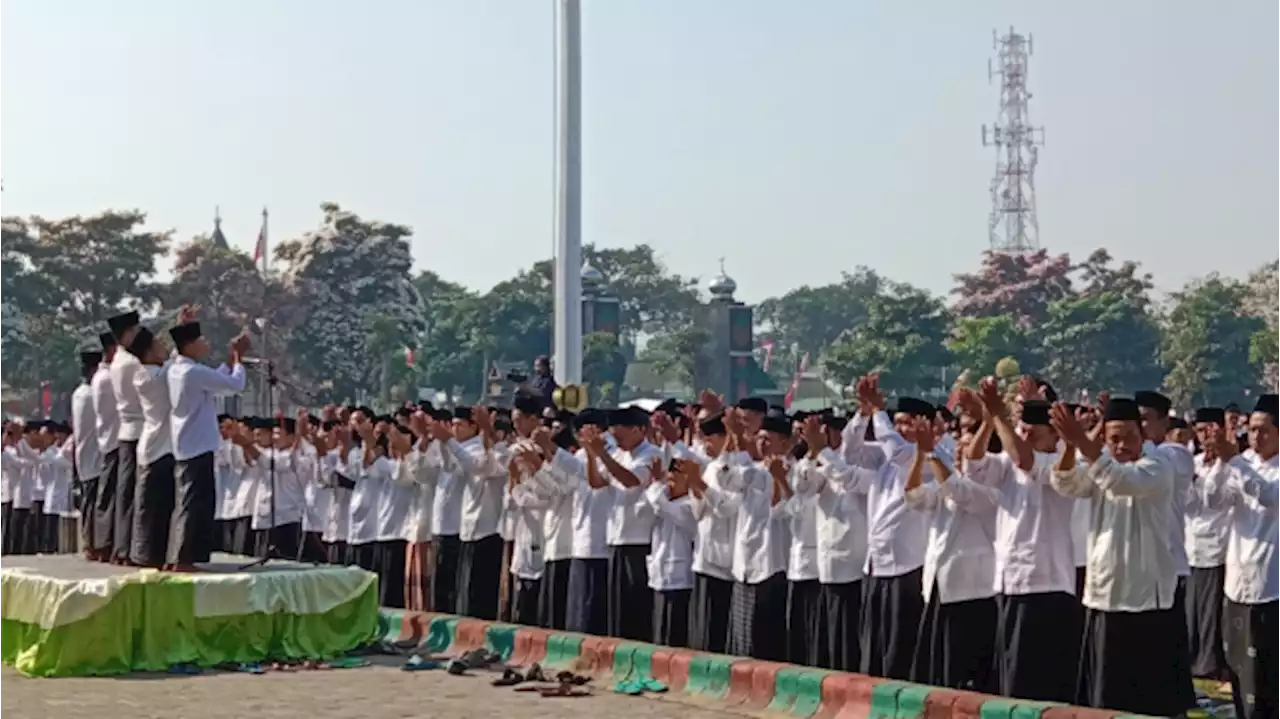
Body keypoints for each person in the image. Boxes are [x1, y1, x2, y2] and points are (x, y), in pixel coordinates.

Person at [1049, 398, 1184, 717]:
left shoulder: (1158, 465)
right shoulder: (1100, 462)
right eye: (1114, 439)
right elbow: (1065, 483)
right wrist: (1071, 445)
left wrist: (1082, 441)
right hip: (1104, 592)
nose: (1122, 446)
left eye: (1129, 437)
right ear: (1105, 439)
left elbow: (1121, 481)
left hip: (1144, 598)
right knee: (1105, 696)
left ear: (1143, 435)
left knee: (1146, 699)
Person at [1199, 394, 1280, 719]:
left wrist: (1234, 461)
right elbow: (1212, 501)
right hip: (1236, 582)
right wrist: (1220, 460)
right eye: (1251, 430)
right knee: (1238, 669)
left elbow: (1269, 496)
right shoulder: (1242, 460)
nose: (1255, 437)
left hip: (1271, 585)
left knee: (1268, 673)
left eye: (1264, 431)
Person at [166, 322, 248, 571]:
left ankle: (179, 555)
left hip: (186, 443)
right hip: (198, 445)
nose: (206, 343)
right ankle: (184, 557)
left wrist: (229, 361)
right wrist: (238, 358)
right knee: (195, 504)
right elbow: (234, 385)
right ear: (189, 345)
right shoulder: (194, 372)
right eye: (201, 339)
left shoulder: (176, 369)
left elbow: (216, 380)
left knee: (187, 502)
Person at [128, 327, 177, 568]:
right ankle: (147, 555)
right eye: (159, 344)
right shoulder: (149, 376)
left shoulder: (153, 371)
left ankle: (157, 555)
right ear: (148, 352)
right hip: (157, 448)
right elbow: (178, 362)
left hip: (160, 446)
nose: (164, 348)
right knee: (151, 507)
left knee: (161, 505)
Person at [107, 310, 145, 565]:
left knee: (125, 493)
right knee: (135, 494)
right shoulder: (133, 363)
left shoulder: (118, 361)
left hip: (126, 431)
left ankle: (122, 547)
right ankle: (130, 548)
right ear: (128, 334)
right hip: (140, 430)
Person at [71, 346, 104, 557]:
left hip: (85, 453)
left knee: (89, 500)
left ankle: (89, 543)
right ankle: (91, 544)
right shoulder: (92, 394)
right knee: (94, 502)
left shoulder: (79, 393)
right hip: (94, 454)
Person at [92, 331, 121, 562]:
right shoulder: (109, 376)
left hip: (110, 440)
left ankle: (104, 544)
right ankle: (105, 544)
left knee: (108, 494)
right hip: (115, 441)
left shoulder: (103, 375)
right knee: (111, 496)